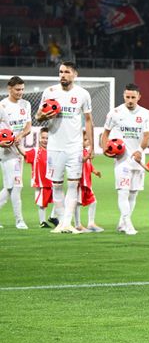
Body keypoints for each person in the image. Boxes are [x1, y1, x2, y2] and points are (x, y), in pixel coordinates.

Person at [36, 62, 93, 233]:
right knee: (57, 186)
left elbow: (89, 120)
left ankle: (68, 223)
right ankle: (62, 223)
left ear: (75, 74)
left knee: (73, 184)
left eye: (67, 72)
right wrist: (44, 115)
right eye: (60, 72)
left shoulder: (83, 94)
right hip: (54, 146)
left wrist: (91, 146)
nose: (63, 75)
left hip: (74, 146)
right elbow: (38, 116)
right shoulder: (50, 92)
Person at [100, 83, 149, 236]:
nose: (130, 100)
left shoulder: (145, 113)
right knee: (123, 192)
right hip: (122, 160)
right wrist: (104, 149)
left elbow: (147, 136)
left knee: (133, 193)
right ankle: (128, 224)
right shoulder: (115, 112)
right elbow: (105, 133)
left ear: (139, 97)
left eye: (133, 97)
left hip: (137, 160)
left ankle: (122, 223)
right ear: (124, 96)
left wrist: (140, 150)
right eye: (127, 97)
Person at [0, 76, 33, 229]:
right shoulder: (2, 106)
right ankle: (19, 221)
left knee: (9, 187)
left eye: (22, 89)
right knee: (17, 186)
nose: (20, 92)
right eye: (17, 89)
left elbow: (28, 126)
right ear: (9, 88)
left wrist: (20, 136)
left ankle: (19, 220)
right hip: (6, 152)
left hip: (19, 150)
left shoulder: (26, 104)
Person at [23, 128, 52, 227]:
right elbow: (25, 154)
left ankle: (53, 217)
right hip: (41, 182)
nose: (45, 140)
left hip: (52, 182)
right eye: (43, 138)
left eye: (47, 138)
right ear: (39, 138)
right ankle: (42, 222)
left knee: (59, 200)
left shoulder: (53, 151)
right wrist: (17, 145)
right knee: (42, 203)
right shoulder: (35, 152)